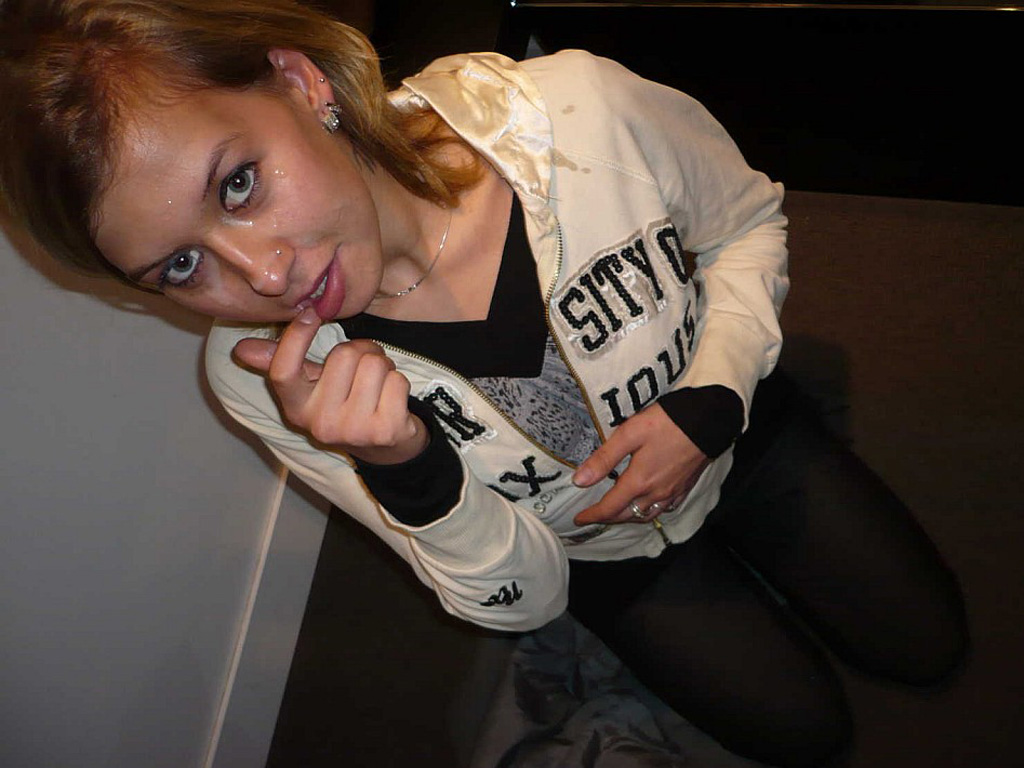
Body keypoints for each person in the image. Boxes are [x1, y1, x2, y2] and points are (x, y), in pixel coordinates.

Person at [0, 1, 968, 765]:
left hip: (739, 432)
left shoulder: (575, 117)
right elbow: (524, 602)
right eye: (180, 266)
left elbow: (746, 225)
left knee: (928, 647)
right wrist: (411, 472)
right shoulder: (262, 380)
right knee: (805, 739)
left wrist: (715, 394)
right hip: (605, 556)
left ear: (298, 83)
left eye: (238, 183)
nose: (261, 275)